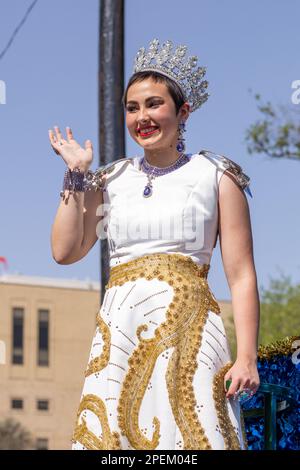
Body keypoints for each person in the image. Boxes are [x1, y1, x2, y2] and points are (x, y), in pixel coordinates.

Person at [49, 39, 260, 450]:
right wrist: (76, 175)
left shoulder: (216, 175)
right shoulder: (108, 180)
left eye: (153, 104)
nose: (142, 117)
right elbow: (64, 251)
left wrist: (247, 355)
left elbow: (242, 274)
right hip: (120, 331)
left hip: (190, 332)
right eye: (132, 108)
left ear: (183, 112)